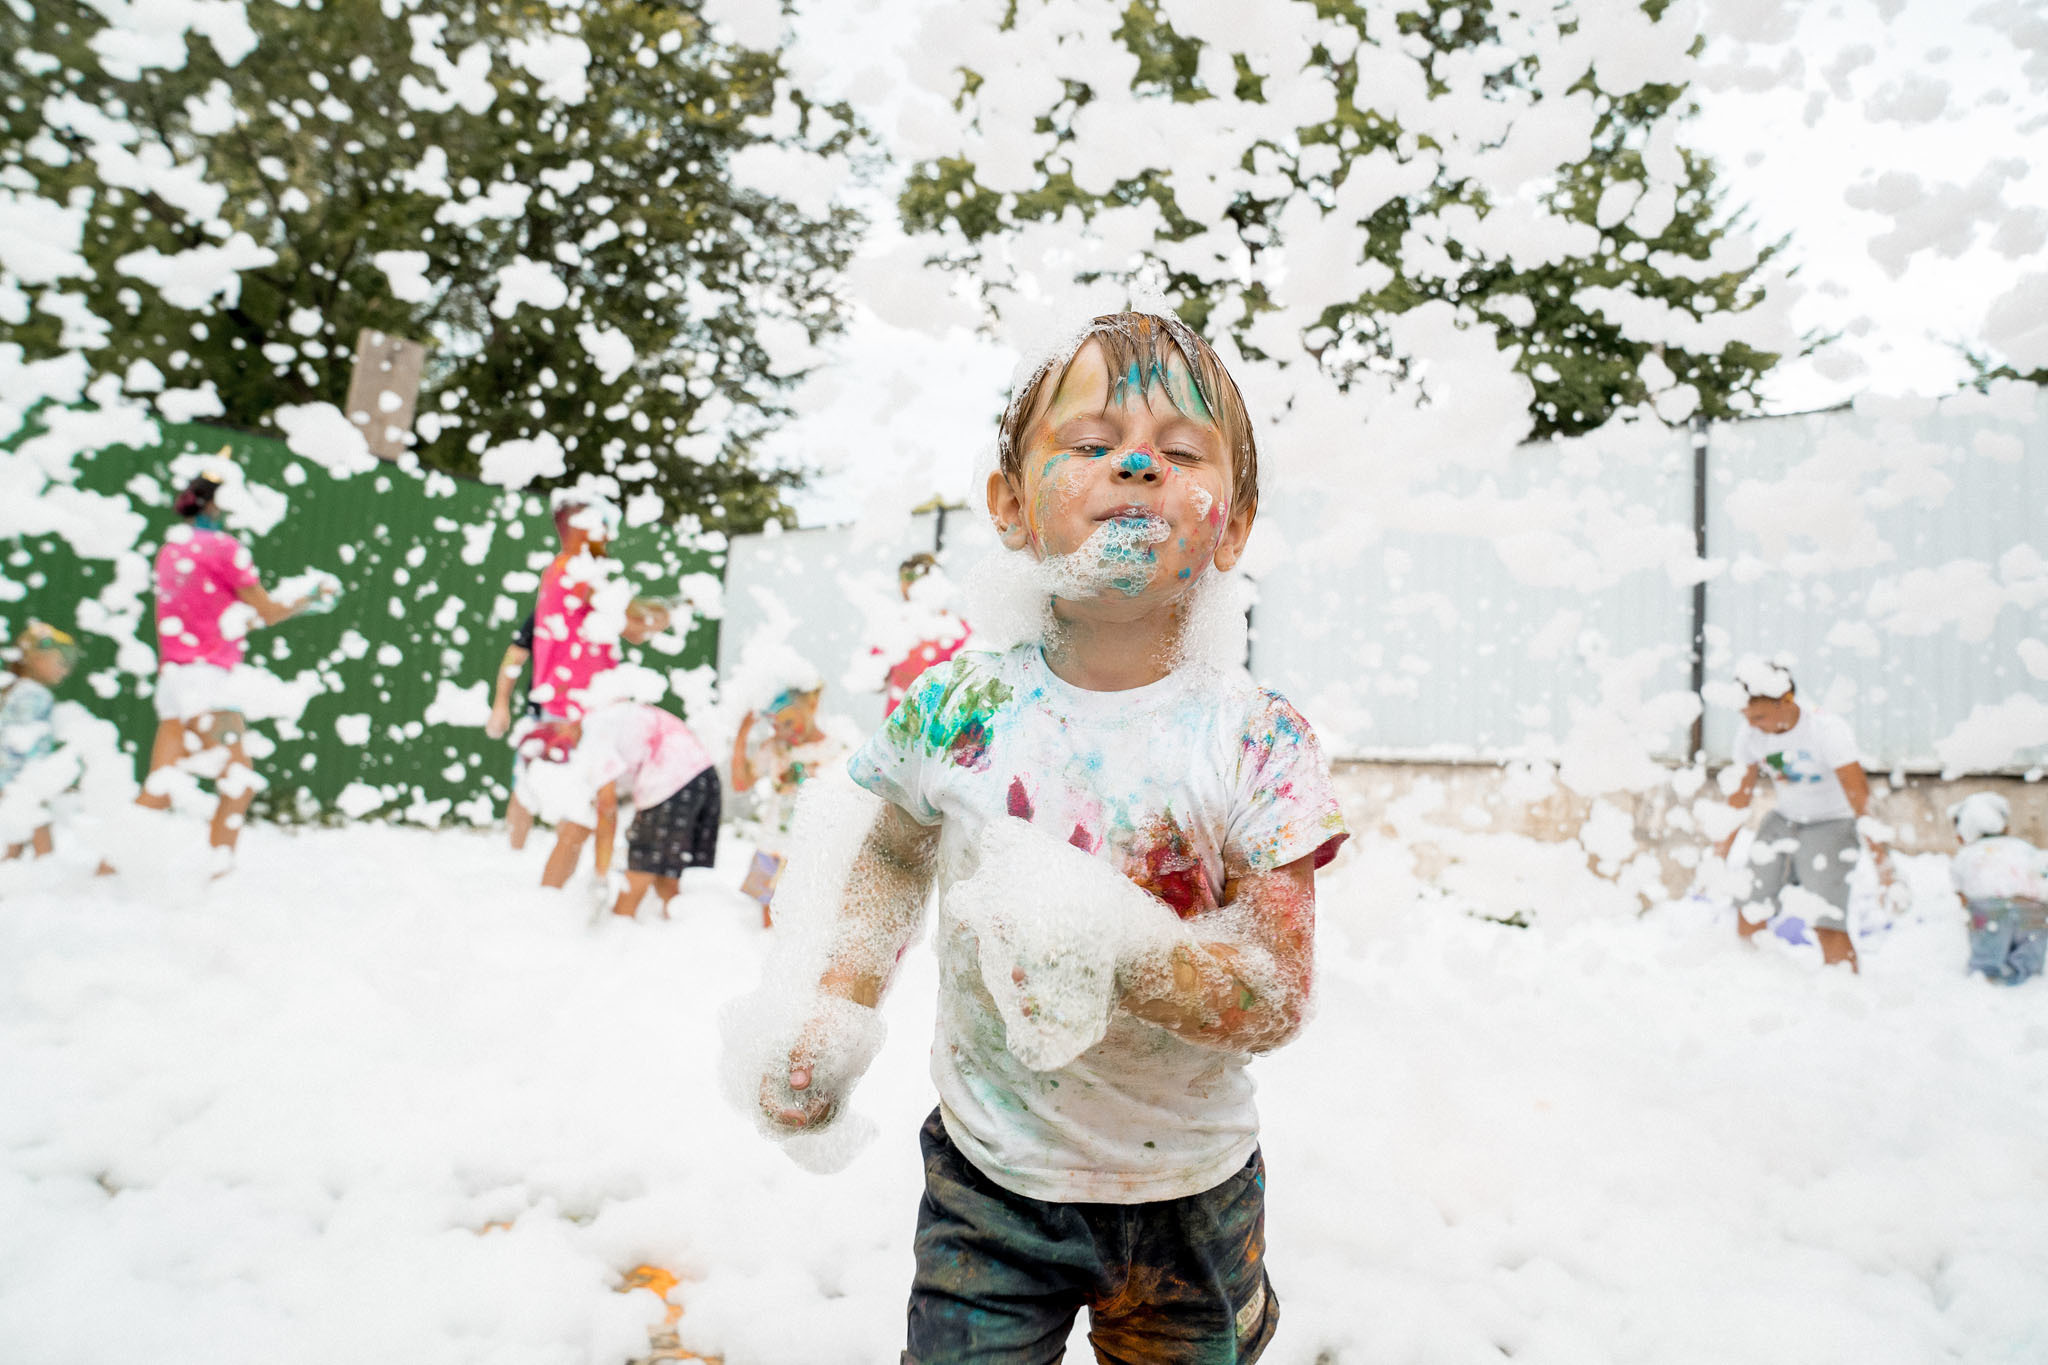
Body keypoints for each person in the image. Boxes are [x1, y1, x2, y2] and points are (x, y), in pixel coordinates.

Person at [755, 312, 1348, 1361]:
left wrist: (1110, 947)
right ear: (1010, 508)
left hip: (1190, 1192)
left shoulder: (1259, 739)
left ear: (1235, 522)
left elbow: (1275, 989)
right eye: (1089, 443)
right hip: (990, 1176)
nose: (1132, 463)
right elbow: (892, 856)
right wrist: (834, 1006)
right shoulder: (953, 708)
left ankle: (1236, 1307)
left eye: (1177, 451)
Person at [139, 464, 320, 862]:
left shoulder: (171, 549)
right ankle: (217, 876)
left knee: (160, 788)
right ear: (219, 502)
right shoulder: (225, 548)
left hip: (174, 680)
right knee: (239, 783)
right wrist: (311, 597)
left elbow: (222, 618)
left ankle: (107, 872)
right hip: (208, 684)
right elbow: (269, 612)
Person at [1713, 659, 1890, 972]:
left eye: (1760, 716)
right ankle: (1752, 984)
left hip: (1832, 824)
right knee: (1750, 909)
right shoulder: (1751, 734)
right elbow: (1739, 797)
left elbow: (1860, 798)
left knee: (1827, 922)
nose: (1753, 724)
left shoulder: (1826, 730)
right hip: (1783, 820)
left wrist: (1882, 863)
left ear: (1787, 701)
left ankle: (1843, 994)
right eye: (1746, 717)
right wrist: (1718, 855)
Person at [534, 700, 720, 917]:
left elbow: (607, 811)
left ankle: (617, 937)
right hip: (704, 775)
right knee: (666, 877)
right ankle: (680, 937)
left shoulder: (592, 738)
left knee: (636, 879)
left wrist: (600, 876)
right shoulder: (604, 715)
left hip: (671, 781)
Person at [730, 681, 847, 925]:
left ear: (812, 707)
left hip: (809, 852)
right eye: (776, 726)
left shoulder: (835, 750)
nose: (783, 732)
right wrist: (742, 734)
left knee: (803, 921)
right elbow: (741, 784)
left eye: (789, 723)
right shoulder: (775, 747)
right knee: (768, 923)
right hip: (771, 846)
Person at [1948, 791, 2047, 985]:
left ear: (1962, 833)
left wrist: (1972, 917)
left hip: (1988, 909)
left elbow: (1962, 896)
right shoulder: (2024, 848)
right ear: (2006, 827)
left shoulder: (1966, 855)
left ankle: (1987, 979)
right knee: (2030, 955)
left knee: (1988, 954)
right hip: (2034, 906)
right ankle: (2028, 981)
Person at [1, 622, 79, 860]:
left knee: (16, 834)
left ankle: (10, 880)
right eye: (60, 663)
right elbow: (28, 740)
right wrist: (46, 777)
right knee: (38, 827)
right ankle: (47, 878)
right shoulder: (35, 693)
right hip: (20, 779)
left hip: (8, 779)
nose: (64, 671)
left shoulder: (14, 689)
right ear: (35, 658)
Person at [873, 552, 973, 718]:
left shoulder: (956, 630)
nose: (906, 588)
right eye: (903, 580)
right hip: (899, 728)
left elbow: (970, 685)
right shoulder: (892, 627)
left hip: (941, 728)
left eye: (912, 580)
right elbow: (875, 680)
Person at [485, 608, 541, 849]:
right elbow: (515, 655)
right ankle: (514, 854)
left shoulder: (605, 608)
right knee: (523, 790)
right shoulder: (546, 612)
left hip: (590, 717)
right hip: (541, 715)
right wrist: (500, 704)